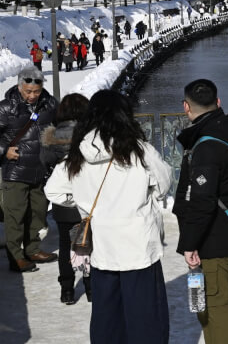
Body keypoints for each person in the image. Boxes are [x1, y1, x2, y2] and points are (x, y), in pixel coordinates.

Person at [45, 90, 171, 343]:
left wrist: (84, 205)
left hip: (102, 248)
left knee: (107, 319)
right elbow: (164, 183)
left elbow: (53, 190)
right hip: (139, 247)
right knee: (146, 320)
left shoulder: (78, 154)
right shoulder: (139, 151)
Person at [174, 79, 228, 343]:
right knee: (213, 300)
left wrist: (190, 242)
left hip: (213, 238)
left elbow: (202, 202)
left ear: (186, 107)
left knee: (216, 305)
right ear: (218, 103)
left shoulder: (206, 147)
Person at [0, 67, 59, 272]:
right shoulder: (6, 108)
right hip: (15, 170)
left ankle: (33, 249)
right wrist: (4, 151)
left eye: (36, 91)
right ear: (19, 87)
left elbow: (62, 126)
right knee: (15, 216)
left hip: (40, 169)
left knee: (38, 212)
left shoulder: (50, 104)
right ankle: (16, 257)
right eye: (28, 91)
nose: (33, 95)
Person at [40, 93, 91, 304]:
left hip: (62, 199)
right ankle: (91, 287)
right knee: (88, 243)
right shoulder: (89, 134)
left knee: (64, 244)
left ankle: (67, 290)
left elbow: (44, 161)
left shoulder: (52, 136)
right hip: (87, 197)